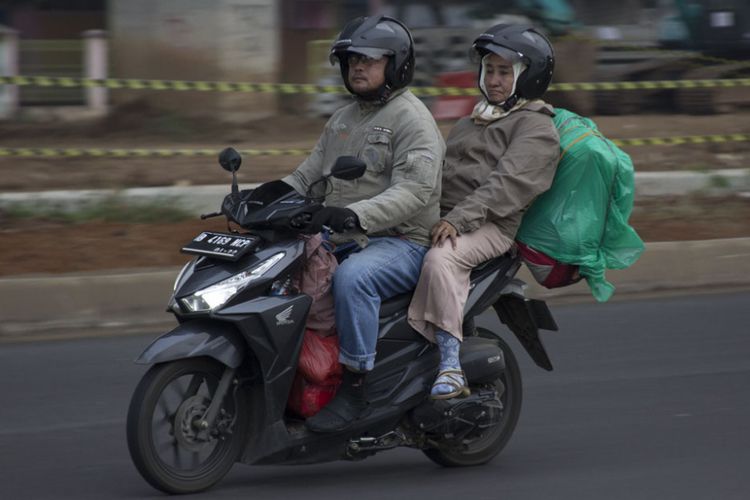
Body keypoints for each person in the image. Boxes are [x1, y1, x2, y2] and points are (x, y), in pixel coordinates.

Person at [281, 15, 446, 432]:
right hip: (345, 236)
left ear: (395, 65)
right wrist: (259, 198)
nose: (358, 66)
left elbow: (414, 193)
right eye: (352, 58)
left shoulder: (413, 120)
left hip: (401, 242)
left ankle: (357, 386)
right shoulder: (343, 120)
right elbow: (307, 178)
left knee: (352, 279)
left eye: (371, 59)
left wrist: (357, 214)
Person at [408, 24, 561, 399]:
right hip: (447, 216)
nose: (493, 80)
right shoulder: (470, 120)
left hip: (491, 226)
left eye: (504, 72)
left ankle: (450, 366)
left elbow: (505, 187)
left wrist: (457, 220)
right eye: (489, 70)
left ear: (527, 77)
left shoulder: (536, 128)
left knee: (440, 262)